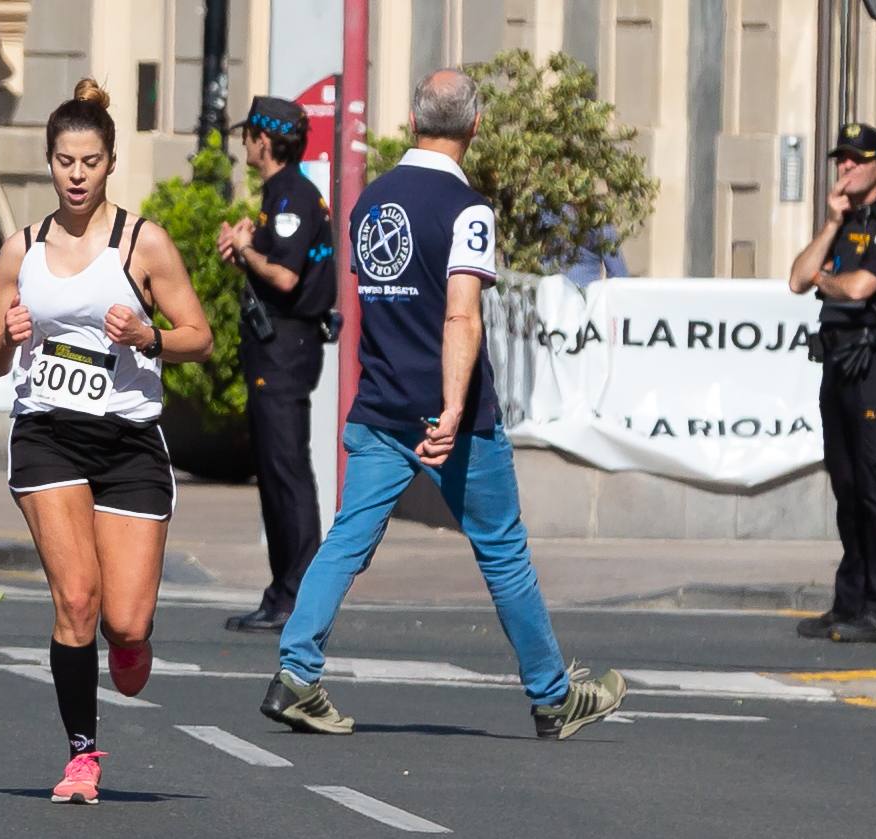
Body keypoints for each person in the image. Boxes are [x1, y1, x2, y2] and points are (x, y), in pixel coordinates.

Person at [260, 68, 626, 741]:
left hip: (379, 403)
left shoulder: (371, 200)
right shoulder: (468, 210)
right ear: (476, 126)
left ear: (412, 116)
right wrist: (454, 408)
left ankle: (295, 671)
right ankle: (552, 696)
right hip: (445, 413)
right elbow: (460, 316)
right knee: (502, 549)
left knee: (346, 539)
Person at [0, 78, 214, 805]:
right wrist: (5, 336)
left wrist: (149, 335)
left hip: (130, 442)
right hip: (46, 433)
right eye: (63, 161)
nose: (75, 175)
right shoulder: (19, 250)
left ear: (110, 164)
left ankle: (132, 639)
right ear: (49, 164)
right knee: (75, 598)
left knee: (124, 621)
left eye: (88, 162)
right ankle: (82, 753)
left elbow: (198, 338)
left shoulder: (142, 243)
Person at [784, 121, 876, 644]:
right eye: (841, 159)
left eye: (856, 159)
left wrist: (824, 278)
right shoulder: (839, 226)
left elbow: (860, 288)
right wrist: (828, 225)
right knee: (846, 488)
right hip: (837, 368)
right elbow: (797, 278)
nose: (845, 167)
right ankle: (849, 601)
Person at [215, 95, 335, 633]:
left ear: (265, 141)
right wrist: (246, 243)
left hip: (285, 349)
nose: (244, 145)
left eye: (249, 137)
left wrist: (247, 250)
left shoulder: (291, 196)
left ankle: (296, 593)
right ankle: (283, 590)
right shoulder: (282, 197)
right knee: (276, 469)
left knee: (285, 470)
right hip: (280, 348)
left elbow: (284, 277)